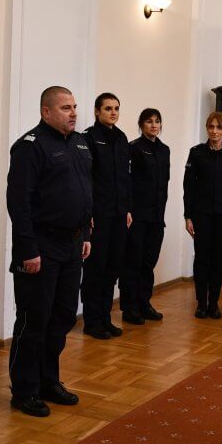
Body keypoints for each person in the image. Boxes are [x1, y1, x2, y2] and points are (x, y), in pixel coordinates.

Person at [6, 86, 93, 418]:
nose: (73, 113)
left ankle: (48, 381)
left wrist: (85, 234)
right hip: (41, 246)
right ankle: (24, 390)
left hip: (72, 244)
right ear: (46, 112)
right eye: (65, 108)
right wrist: (28, 250)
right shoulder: (30, 146)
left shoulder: (80, 143)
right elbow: (19, 203)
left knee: (63, 316)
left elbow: (85, 191)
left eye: (75, 106)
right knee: (35, 319)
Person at [81, 93, 132, 339]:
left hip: (119, 214)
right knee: (96, 268)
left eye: (116, 108)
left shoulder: (121, 138)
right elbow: (85, 179)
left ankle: (105, 317)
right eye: (108, 108)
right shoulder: (88, 138)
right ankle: (92, 321)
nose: (113, 113)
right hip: (98, 215)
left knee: (113, 267)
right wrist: (88, 211)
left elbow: (125, 178)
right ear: (97, 111)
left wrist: (127, 208)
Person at [183, 112, 222, 319]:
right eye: (211, 127)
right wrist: (188, 216)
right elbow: (188, 187)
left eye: (218, 127)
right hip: (202, 214)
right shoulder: (197, 153)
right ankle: (201, 303)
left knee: (217, 260)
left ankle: (214, 304)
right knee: (202, 258)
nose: (214, 131)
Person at [120, 108, 170, 324]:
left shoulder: (164, 150)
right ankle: (129, 308)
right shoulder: (133, 148)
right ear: (141, 125)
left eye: (157, 121)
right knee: (133, 263)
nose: (154, 125)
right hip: (137, 216)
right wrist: (128, 210)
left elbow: (164, 183)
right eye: (149, 121)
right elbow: (128, 182)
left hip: (156, 217)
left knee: (148, 263)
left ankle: (144, 303)